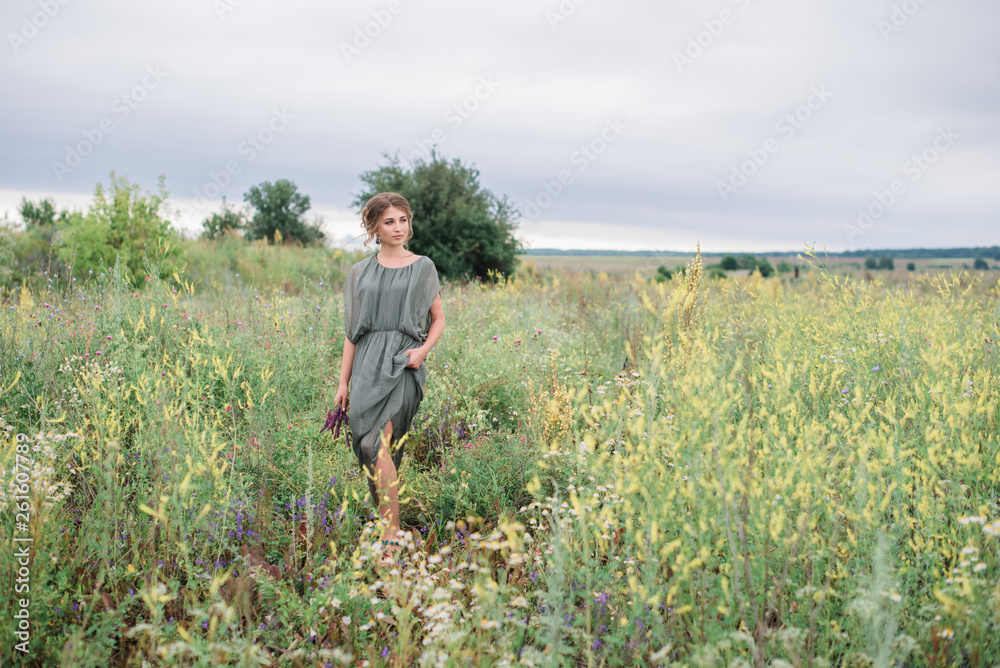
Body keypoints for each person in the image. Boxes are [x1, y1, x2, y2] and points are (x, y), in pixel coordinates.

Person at [333, 192, 445, 564]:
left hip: (402, 363)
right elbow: (352, 333)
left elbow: (439, 318)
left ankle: (391, 537)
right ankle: (389, 527)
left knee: (379, 443)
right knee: (367, 447)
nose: (399, 228)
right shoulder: (360, 273)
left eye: (403, 220)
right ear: (374, 228)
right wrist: (343, 383)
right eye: (389, 222)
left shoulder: (423, 266)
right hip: (366, 364)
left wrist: (422, 351)